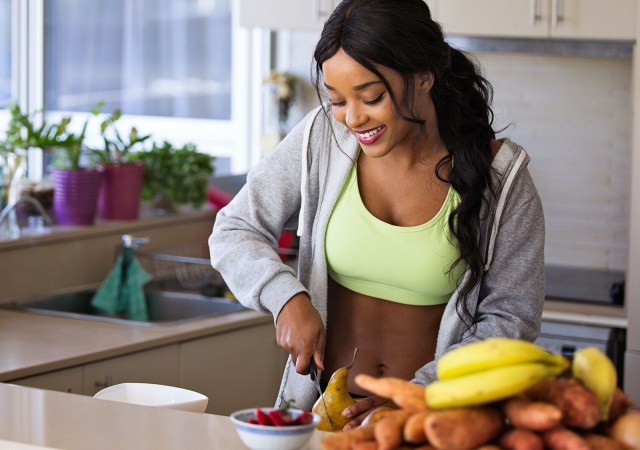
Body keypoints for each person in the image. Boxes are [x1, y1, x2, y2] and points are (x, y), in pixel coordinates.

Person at [208, 0, 545, 429]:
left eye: (370, 97)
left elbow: (511, 318)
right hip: (322, 419)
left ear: (424, 77)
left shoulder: (502, 178)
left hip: (430, 423)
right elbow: (235, 228)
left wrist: (417, 396)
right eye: (337, 100)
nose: (353, 118)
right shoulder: (321, 138)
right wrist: (286, 297)